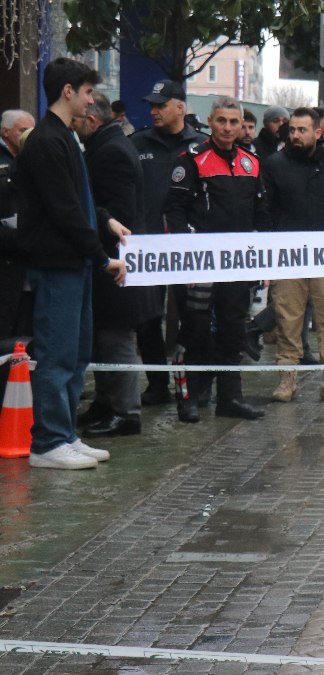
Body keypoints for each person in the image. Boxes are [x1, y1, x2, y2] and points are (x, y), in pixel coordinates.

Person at [15, 57, 129, 469]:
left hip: (74, 265)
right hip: (58, 265)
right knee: (58, 356)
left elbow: (78, 201)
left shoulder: (64, 138)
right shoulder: (47, 140)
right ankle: (48, 442)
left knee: (77, 354)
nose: (91, 101)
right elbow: (63, 209)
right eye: (86, 92)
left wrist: (107, 221)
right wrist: (102, 259)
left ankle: (64, 434)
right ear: (68, 91)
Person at [164, 96, 270, 422]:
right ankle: (190, 398)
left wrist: (265, 261)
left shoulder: (252, 161)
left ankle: (230, 398)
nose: (227, 127)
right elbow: (174, 211)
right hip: (200, 264)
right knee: (194, 331)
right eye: (221, 121)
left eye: (233, 122)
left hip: (238, 264)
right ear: (210, 122)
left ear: (242, 125)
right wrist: (186, 259)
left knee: (232, 330)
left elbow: (262, 215)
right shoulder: (192, 160)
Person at [261, 107, 324, 403]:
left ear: (318, 133)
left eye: (301, 130)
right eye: (292, 129)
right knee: (288, 319)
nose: (294, 135)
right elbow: (265, 212)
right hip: (287, 257)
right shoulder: (275, 165)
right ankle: (287, 379)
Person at [74, 92, 152, 438]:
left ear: (92, 121)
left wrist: (103, 251)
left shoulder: (111, 152)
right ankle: (107, 404)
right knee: (104, 338)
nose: (74, 127)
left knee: (116, 337)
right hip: (110, 260)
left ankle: (125, 412)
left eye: (77, 121)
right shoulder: (111, 146)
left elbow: (118, 210)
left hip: (115, 262)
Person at [130, 80, 208, 407]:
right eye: (152, 104)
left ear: (181, 107)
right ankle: (157, 382)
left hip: (187, 246)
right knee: (147, 318)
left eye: (161, 104)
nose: (154, 110)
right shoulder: (136, 143)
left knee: (194, 315)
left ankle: (192, 383)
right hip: (147, 246)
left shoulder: (201, 145)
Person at [0, 109, 34, 339]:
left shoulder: (31, 157)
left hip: (26, 263)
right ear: (6, 132)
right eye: (23, 130)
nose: (29, 135)